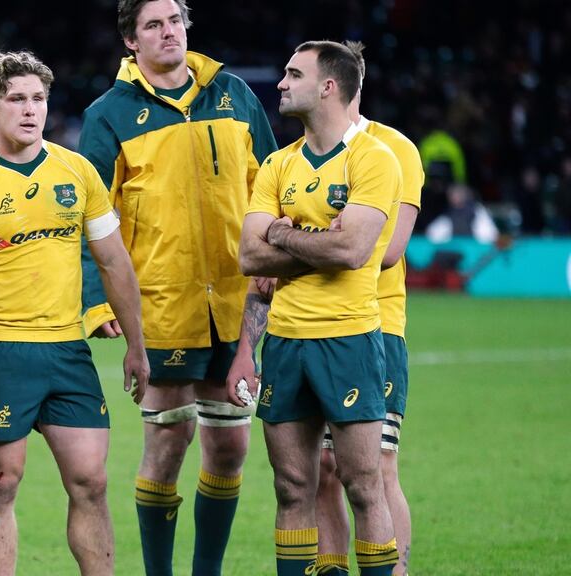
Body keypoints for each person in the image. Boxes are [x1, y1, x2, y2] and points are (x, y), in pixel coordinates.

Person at [0, 50, 150, 576]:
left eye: (38, 99)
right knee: (2, 481)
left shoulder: (78, 172)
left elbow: (114, 263)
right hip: (0, 351)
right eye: (16, 99)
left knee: (91, 481)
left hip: (68, 351)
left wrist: (137, 345)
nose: (30, 110)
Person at [78, 1, 277, 573]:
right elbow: (93, 218)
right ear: (130, 41)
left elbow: (271, 184)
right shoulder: (108, 114)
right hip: (162, 302)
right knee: (168, 443)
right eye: (154, 25)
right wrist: (97, 301)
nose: (169, 32)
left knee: (232, 447)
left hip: (237, 302)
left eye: (175, 21)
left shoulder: (235, 94)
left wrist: (275, 258)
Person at [237, 40, 402, 575]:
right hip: (285, 341)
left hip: (349, 339)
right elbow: (248, 255)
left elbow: (354, 251)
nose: (281, 84)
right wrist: (317, 242)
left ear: (328, 86)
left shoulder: (375, 159)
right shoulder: (277, 164)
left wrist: (283, 234)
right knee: (291, 489)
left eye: (292, 74)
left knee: (363, 485)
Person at [314, 41, 424, 576]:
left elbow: (387, 250)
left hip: (376, 327)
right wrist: (328, 239)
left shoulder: (393, 149)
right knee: (320, 470)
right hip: (309, 327)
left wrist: (302, 240)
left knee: (376, 467)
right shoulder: (301, 154)